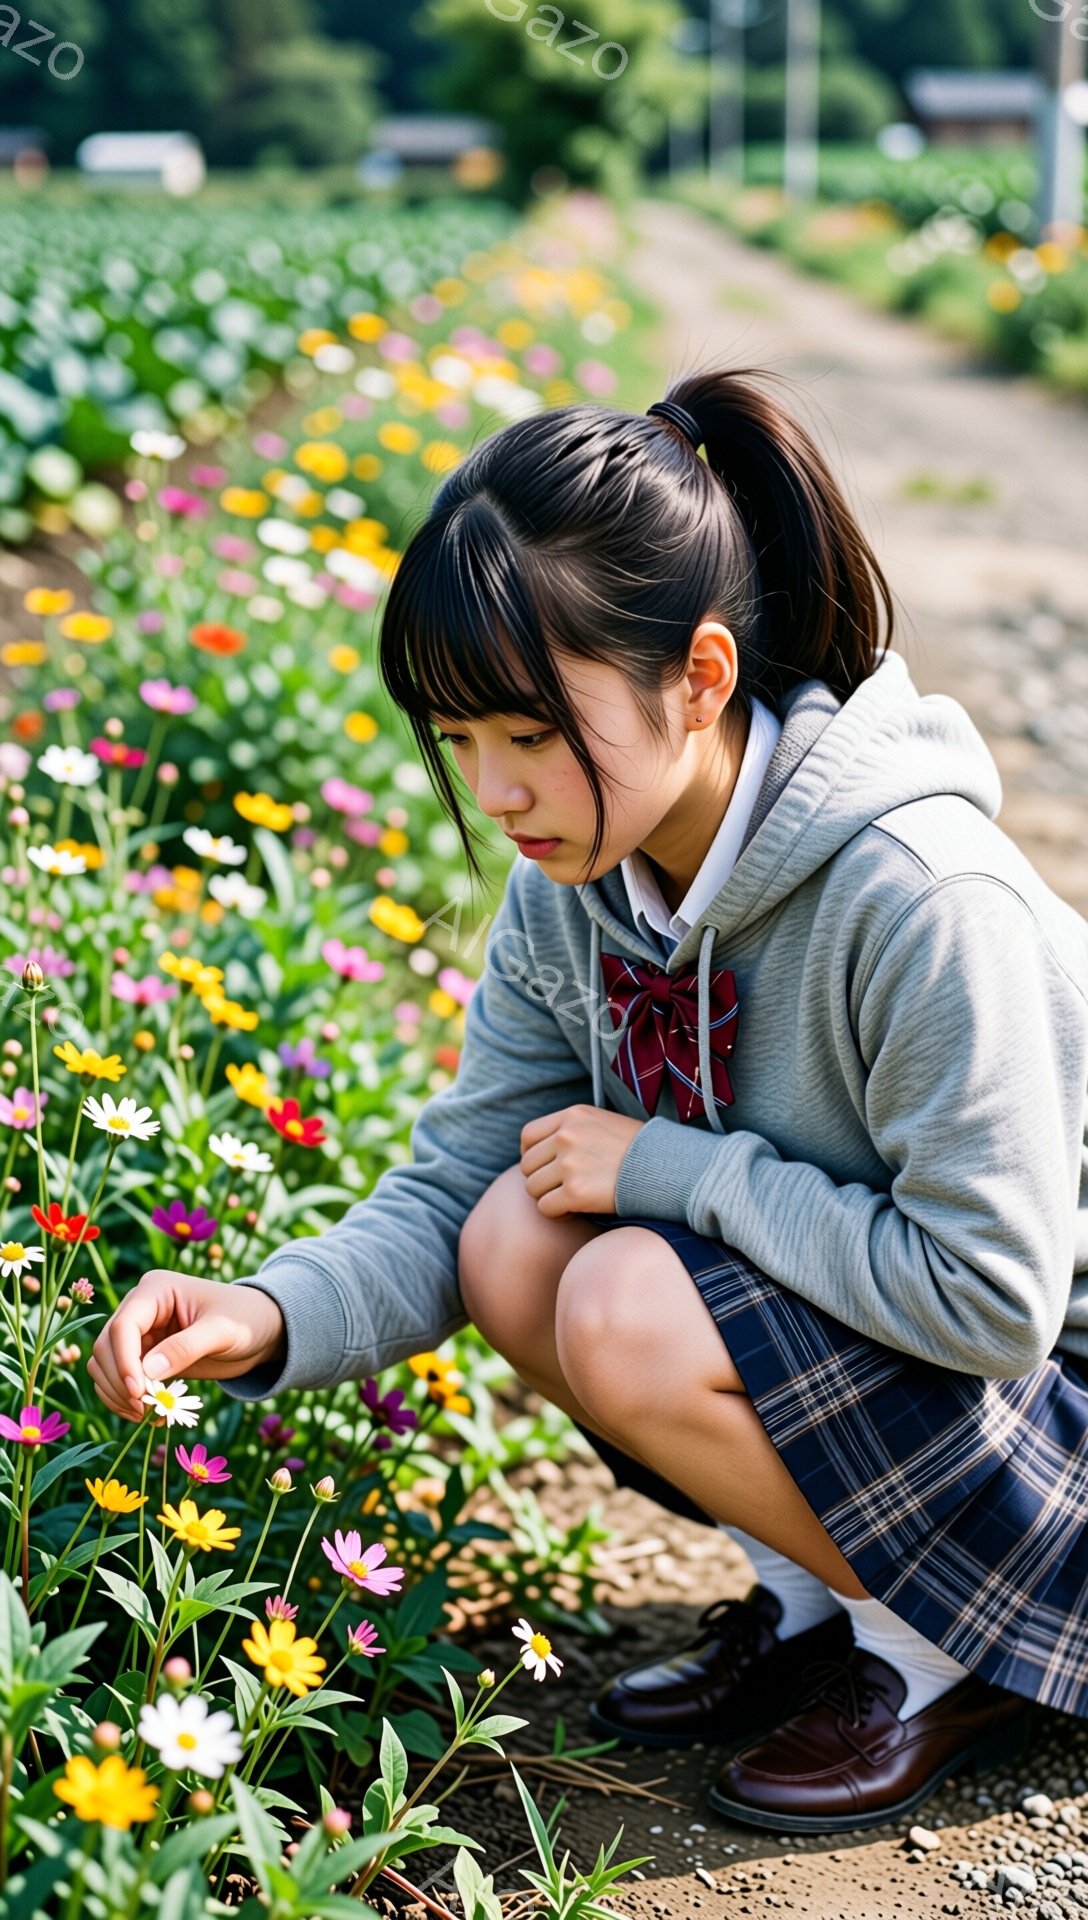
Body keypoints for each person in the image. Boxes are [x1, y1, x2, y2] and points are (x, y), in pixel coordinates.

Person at [90, 365, 1088, 1834]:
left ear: (698, 676)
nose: (494, 792)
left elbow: (993, 1301)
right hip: (927, 1399)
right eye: (459, 742)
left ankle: (946, 1647)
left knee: (622, 1283)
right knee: (511, 1236)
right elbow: (454, 1185)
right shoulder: (577, 890)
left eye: (529, 733)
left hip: (1049, 1443)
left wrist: (680, 1171)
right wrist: (273, 1309)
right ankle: (824, 1602)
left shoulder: (921, 898)